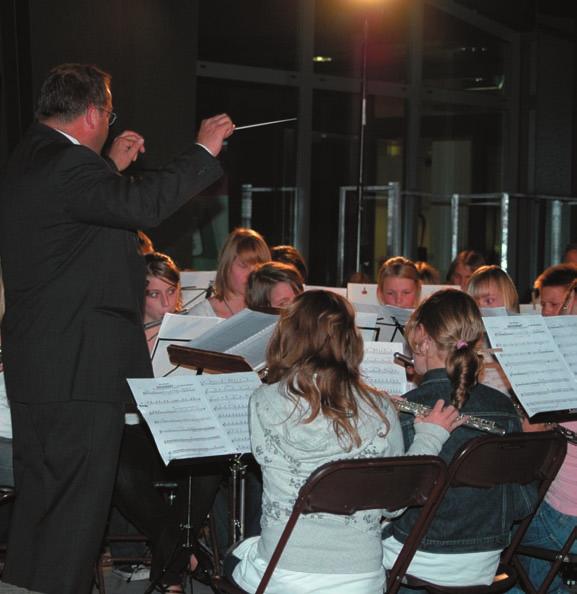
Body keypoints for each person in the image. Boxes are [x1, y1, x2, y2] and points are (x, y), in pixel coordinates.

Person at [0, 63, 234, 594]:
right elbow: (144, 206)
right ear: (92, 114)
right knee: (74, 520)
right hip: (79, 369)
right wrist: (203, 152)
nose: (110, 120)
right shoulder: (67, 165)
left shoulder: (31, 158)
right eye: (109, 111)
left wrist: (108, 167)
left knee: (44, 505)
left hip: (44, 365)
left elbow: (76, 229)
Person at [226, 290, 462, 594]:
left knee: (232, 557)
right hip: (360, 579)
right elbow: (393, 506)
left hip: (283, 575)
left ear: (288, 337)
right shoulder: (380, 408)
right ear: (351, 341)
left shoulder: (262, 400)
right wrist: (430, 437)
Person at [382, 290, 535, 591]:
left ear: (423, 338)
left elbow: (391, 503)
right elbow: (521, 503)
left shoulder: (406, 409)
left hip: (415, 558)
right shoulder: (503, 408)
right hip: (484, 562)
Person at [188, 228, 270, 318]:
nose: (252, 274)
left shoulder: (273, 309)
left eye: (259, 267)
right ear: (226, 266)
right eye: (243, 265)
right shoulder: (200, 315)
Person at [143, 252, 182, 349]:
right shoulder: (124, 338)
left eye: (171, 291)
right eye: (154, 294)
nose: (166, 303)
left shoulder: (191, 330)